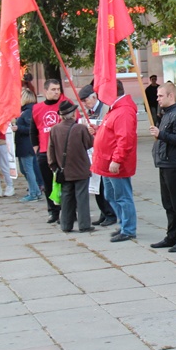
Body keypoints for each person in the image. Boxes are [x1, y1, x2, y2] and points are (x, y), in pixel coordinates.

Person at [91, 80, 138, 242]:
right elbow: (112, 132)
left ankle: (129, 228)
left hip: (115, 163)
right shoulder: (116, 109)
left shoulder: (123, 111)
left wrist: (117, 160)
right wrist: (98, 131)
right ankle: (124, 223)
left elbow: (125, 138)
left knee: (122, 196)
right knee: (110, 194)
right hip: (107, 161)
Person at [149, 82, 176, 252]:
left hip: (174, 164)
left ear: (171, 96)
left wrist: (161, 134)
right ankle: (171, 236)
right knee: (168, 203)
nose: (157, 98)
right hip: (164, 163)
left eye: (160, 95)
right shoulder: (166, 114)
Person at [48, 100, 95, 233]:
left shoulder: (54, 129)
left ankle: (66, 225)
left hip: (64, 171)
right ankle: (84, 225)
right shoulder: (80, 128)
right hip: (80, 169)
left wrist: (55, 168)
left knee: (67, 198)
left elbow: (50, 152)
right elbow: (89, 144)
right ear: (73, 114)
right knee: (82, 198)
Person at [31, 79, 71, 224]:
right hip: (44, 152)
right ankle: (53, 212)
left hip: (63, 152)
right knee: (48, 184)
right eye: (53, 89)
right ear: (45, 91)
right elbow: (33, 130)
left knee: (65, 184)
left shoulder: (66, 105)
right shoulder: (37, 108)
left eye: (58, 89)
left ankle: (68, 212)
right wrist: (37, 150)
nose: (56, 92)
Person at [78, 84, 117, 227]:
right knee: (96, 185)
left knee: (105, 186)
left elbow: (109, 129)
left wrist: (96, 129)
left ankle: (111, 214)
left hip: (106, 151)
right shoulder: (88, 111)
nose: (84, 104)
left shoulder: (106, 109)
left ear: (94, 97)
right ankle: (104, 212)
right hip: (93, 152)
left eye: (86, 100)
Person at [14, 88, 44, 202]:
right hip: (25, 145)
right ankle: (35, 190)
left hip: (26, 145)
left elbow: (30, 129)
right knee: (25, 169)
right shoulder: (28, 110)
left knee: (28, 169)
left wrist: (18, 128)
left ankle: (34, 192)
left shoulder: (27, 112)